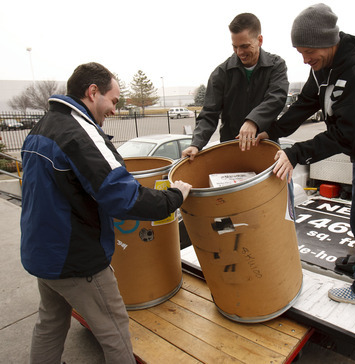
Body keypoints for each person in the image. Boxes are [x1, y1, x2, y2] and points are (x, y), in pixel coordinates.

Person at [20, 62, 192, 364]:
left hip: (41, 253)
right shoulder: (80, 133)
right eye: (113, 101)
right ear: (93, 92)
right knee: (114, 331)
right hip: (76, 261)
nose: (114, 109)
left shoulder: (42, 127)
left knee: (50, 324)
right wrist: (173, 197)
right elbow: (121, 195)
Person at [258, 4, 355, 305]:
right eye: (299, 52)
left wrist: (296, 153)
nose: (305, 59)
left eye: (309, 51)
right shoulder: (323, 66)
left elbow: (344, 134)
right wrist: (271, 130)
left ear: (329, 41)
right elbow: (305, 104)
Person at [182, 12, 289, 159]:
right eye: (235, 47)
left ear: (260, 40)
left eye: (245, 46)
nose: (240, 52)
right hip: (232, 151)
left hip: (266, 148)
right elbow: (209, 114)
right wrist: (196, 144)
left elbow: (276, 98)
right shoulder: (221, 73)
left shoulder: (276, 66)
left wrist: (253, 122)